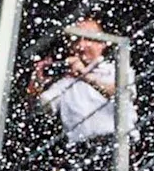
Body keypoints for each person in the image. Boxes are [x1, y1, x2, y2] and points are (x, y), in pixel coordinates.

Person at [31, 19, 119, 152]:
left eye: (89, 39)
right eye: (76, 40)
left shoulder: (116, 70)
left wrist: (84, 75)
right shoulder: (65, 82)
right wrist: (38, 82)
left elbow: (119, 94)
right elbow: (41, 107)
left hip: (117, 143)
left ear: (102, 44)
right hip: (82, 150)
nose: (81, 45)